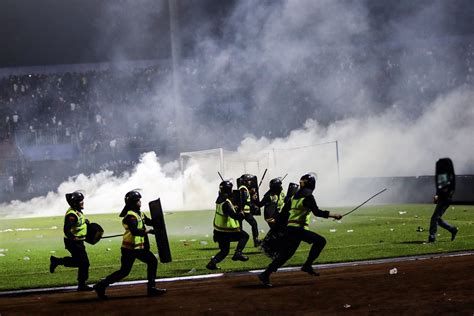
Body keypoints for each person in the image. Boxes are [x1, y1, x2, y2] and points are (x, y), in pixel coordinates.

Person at [258, 173, 342, 287]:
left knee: (285, 256)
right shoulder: (308, 196)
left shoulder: (293, 197)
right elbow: (317, 212)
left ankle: (265, 274)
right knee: (320, 241)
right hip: (298, 230)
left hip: (290, 230)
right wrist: (334, 215)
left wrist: (278, 228)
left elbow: (283, 214)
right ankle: (307, 265)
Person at [93, 190, 166, 299]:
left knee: (126, 271)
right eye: (137, 201)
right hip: (131, 249)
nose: (140, 202)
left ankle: (100, 286)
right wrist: (149, 231)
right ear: (132, 203)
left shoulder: (139, 213)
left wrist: (159, 220)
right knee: (132, 269)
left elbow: (149, 221)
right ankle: (151, 289)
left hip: (137, 248)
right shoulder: (130, 216)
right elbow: (135, 231)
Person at [49, 191, 93, 291]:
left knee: (81, 262)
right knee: (84, 263)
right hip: (73, 243)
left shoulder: (77, 211)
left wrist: (85, 222)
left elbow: (78, 223)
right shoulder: (72, 215)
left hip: (78, 242)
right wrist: (74, 238)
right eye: (80, 201)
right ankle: (81, 285)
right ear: (74, 203)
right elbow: (66, 229)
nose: (82, 202)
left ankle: (57, 261)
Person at [206, 180, 250, 270]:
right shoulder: (226, 203)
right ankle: (238, 253)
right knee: (245, 236)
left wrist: (234, 206)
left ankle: (212, 263)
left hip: (218, 230)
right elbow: (234, 216)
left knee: (224, 251)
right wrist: (241, 214)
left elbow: (228, 207)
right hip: (227, 230)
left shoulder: (219, 199)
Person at [428, 169, 458, 243]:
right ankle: (452, 229)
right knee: (437, 219)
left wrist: (438, 196)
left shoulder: (444, 176)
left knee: (434, 218)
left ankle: (432, 236)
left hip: (445, 200)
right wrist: (437, 196)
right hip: (443, 200)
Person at [238, 174, 261, 247]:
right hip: (244, 212)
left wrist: (251, 194)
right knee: (253, 224)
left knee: (241, 227)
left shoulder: (244, 189)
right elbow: (244, 201)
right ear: (245, 181)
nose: (250, 182)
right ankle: (255, 241)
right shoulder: (244, 189)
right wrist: (253, 205)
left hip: (245, 212)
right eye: (249, 181)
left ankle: (255, 241)